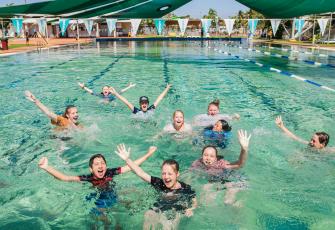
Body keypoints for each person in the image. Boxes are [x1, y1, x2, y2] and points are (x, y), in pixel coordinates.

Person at [38, 146, 157, 227]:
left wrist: (149, 153)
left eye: (102, 163)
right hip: (98, 201)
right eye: (97, 164)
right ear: (91, 168)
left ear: (106, 165)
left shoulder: (110, 172)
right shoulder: (89, 178)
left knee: (131, 199)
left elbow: (132, 166)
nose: (100, 166)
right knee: (106, 223)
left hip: (112, 196)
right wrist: (46, 167)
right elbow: (65, 178)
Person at [115, 144, 197, 230]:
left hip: (175, 210)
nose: (166, 177)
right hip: (159, 206)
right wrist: (127, 159)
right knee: (149, 214)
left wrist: (191, 209)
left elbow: (194, 200)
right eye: (164, 173)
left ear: (177, 174)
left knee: (168, 225)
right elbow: (141, 173)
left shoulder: (185, 188)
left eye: (170, 173)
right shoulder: (159, 183)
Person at [190, 130, 251, 205]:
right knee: (206, 198)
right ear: (202, 156)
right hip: (215, 180)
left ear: (216, 158)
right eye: (205, 155)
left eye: (211, 156)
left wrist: (244, 149)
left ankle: (238, 205)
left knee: (228, 201)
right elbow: (190, 175)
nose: (208, 158)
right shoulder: (197, 163)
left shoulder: (221, 164)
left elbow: (240, 164)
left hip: (231, 179)